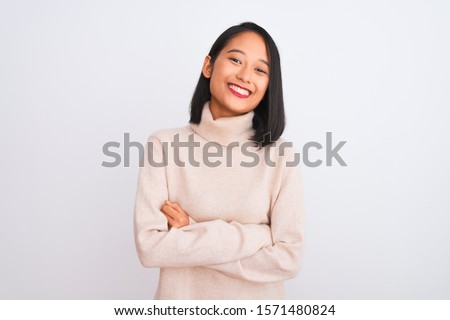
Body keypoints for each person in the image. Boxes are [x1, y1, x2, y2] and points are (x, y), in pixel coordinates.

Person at [133, 22, 304, 299]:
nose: (245, 75)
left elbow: (287, 259)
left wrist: (192, 230)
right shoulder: (163, 146)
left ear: (269, 85)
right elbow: (150, 248)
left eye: (260, 70)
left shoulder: (280, 156)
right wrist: (260, 236)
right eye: (236, 59)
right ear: (208, 66)